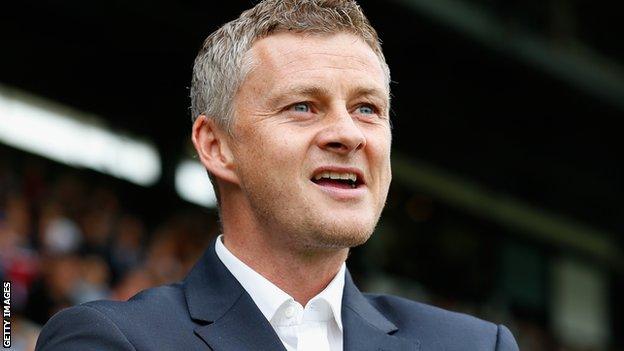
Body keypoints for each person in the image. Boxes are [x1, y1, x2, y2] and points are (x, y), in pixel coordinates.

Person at [35, 0, 519, 350]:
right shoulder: (110, 340)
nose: (349, 134)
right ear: (216, 146)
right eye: (304, 106)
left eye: (367, 108)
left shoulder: (478, 344)